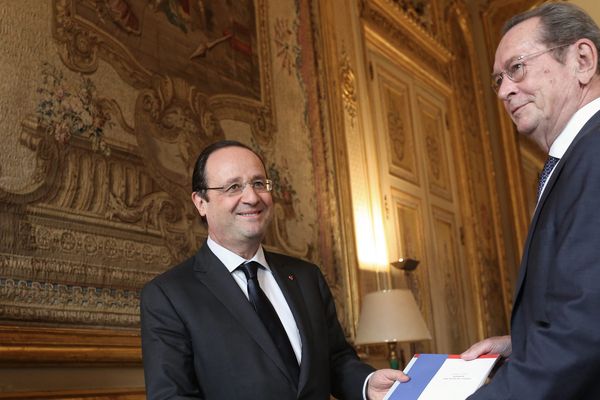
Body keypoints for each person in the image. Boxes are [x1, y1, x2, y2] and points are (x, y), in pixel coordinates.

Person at [140, 140, 408, 399]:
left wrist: (366, 383)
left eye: (259, 183)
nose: (252, 197)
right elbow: (172, 395)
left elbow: (335, 359)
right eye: (233, 187)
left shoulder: (307, 277)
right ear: (200, 202)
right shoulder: (168, 295)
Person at [461, 2, 600, 399]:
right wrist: (516, 345)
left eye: (516, 68)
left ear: (583, 60)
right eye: (498, 80)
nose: (504, 91)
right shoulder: (574, 158)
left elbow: (585, 328)